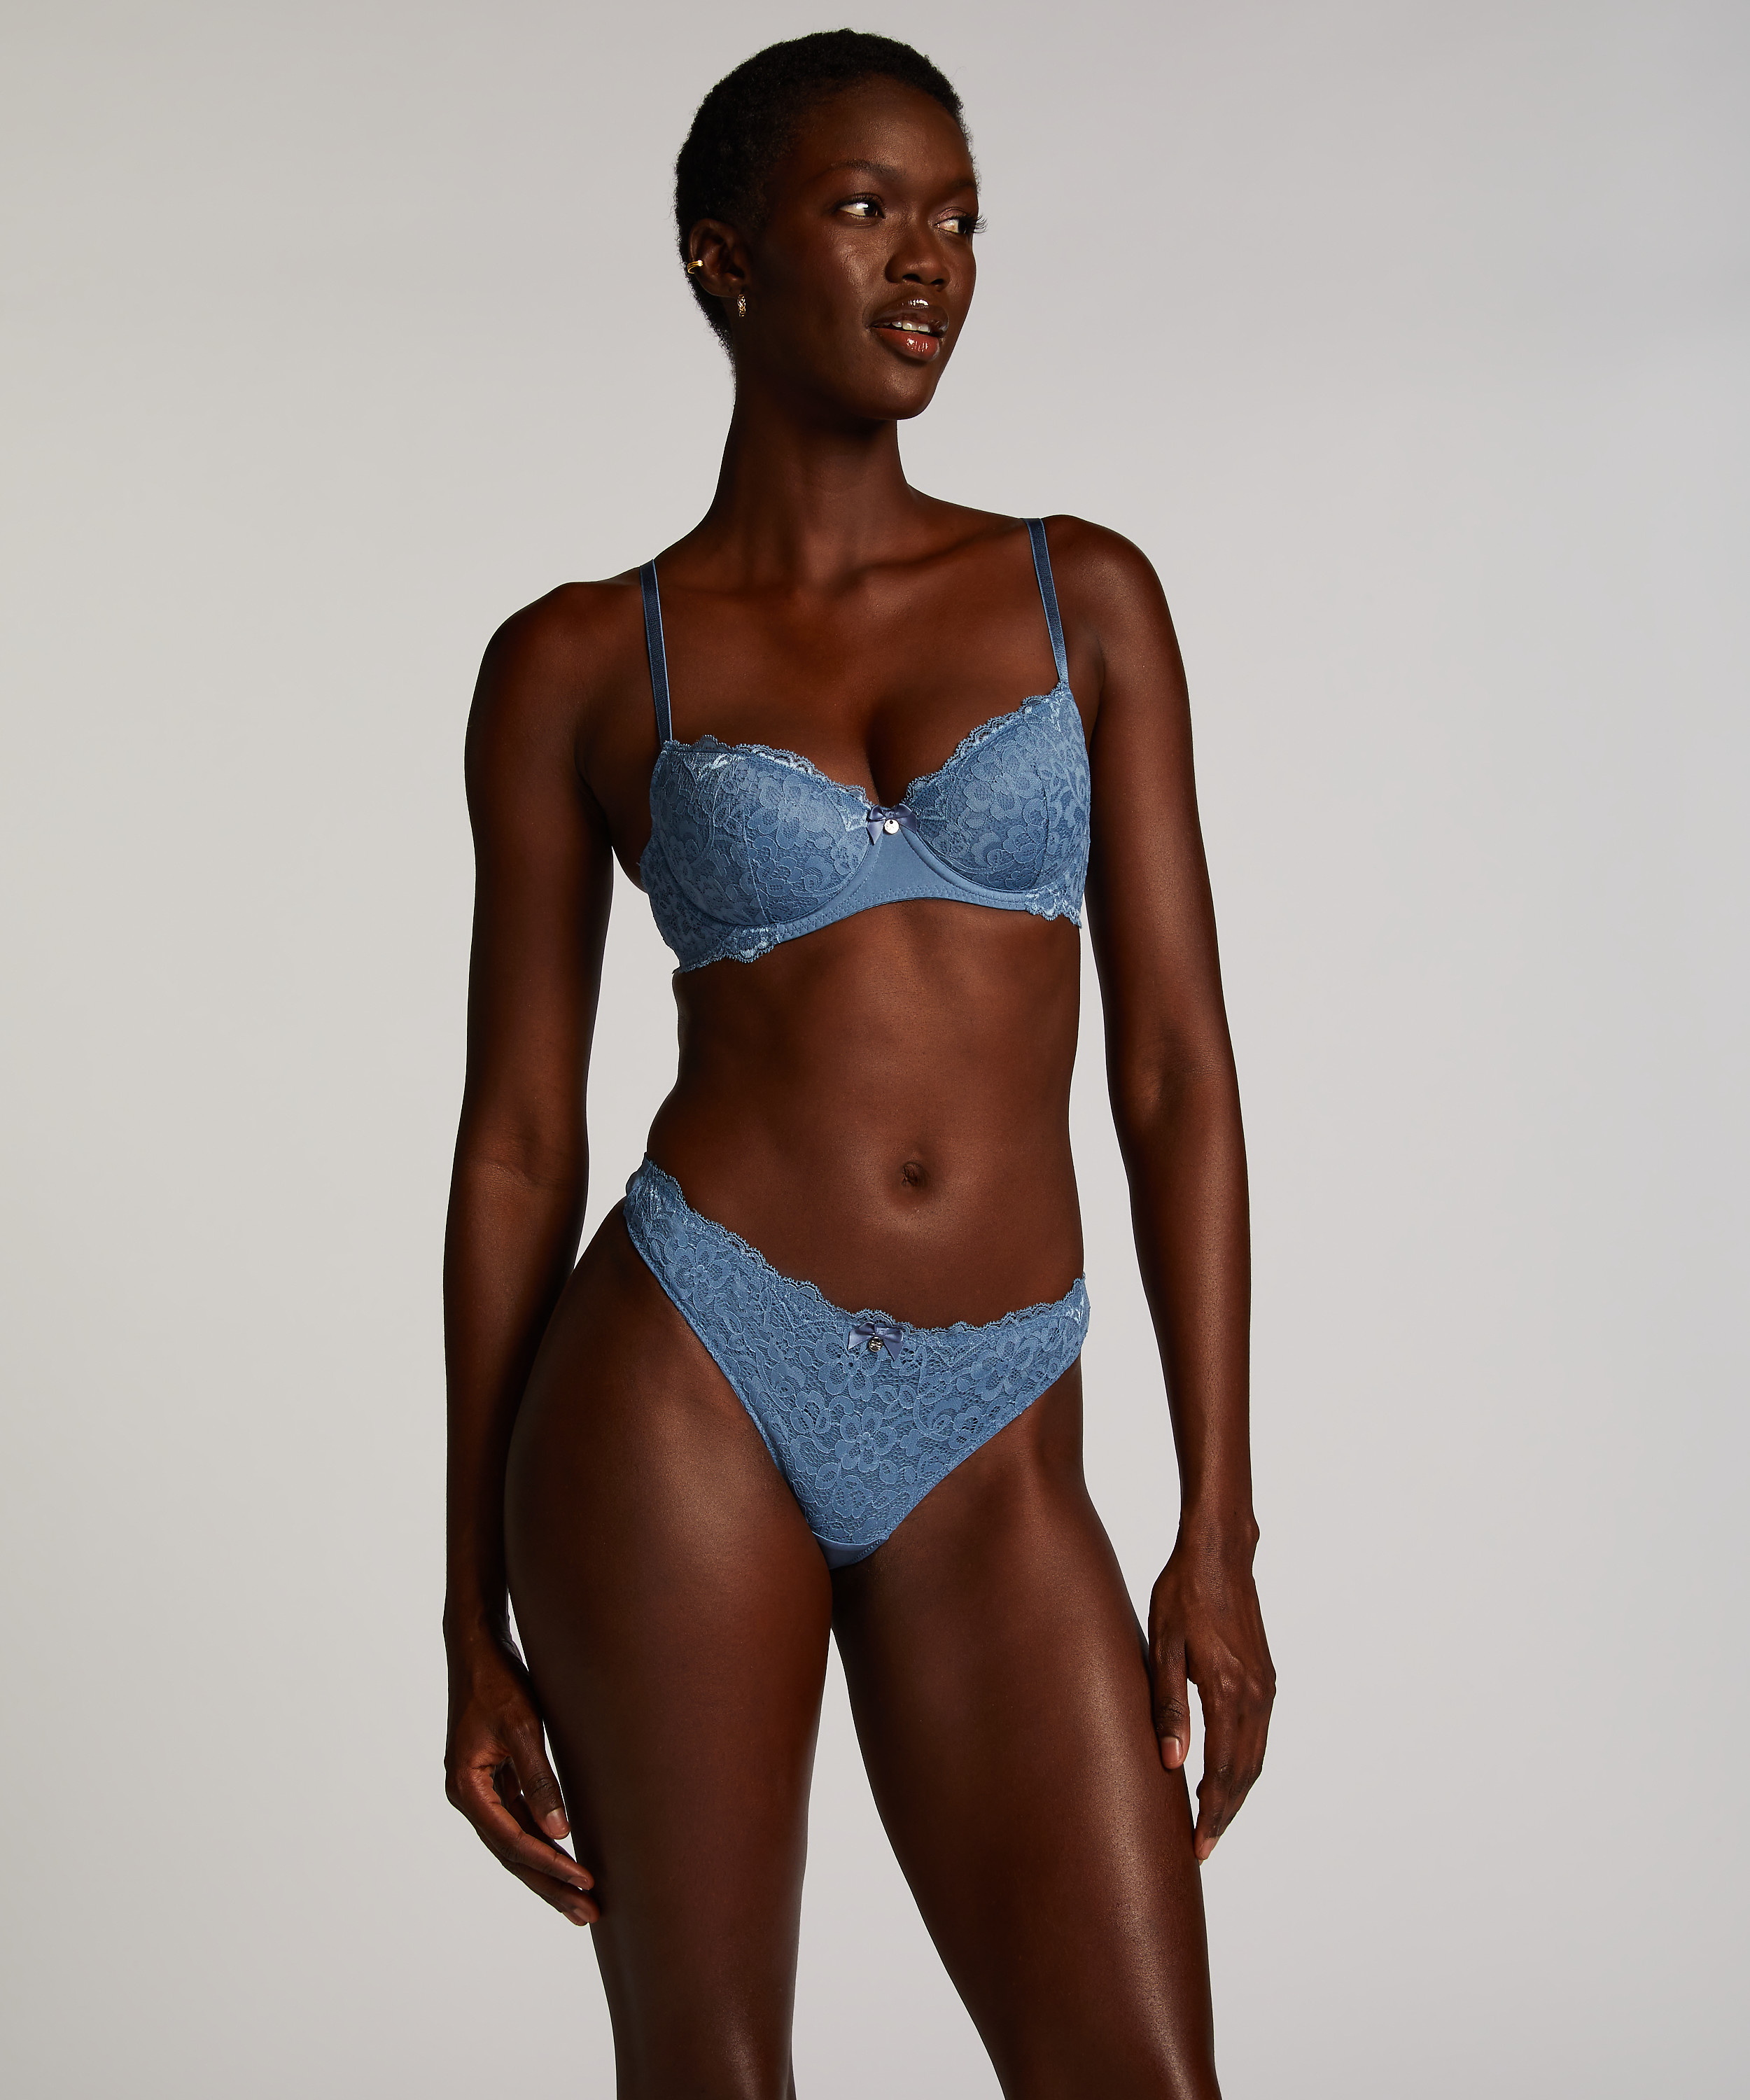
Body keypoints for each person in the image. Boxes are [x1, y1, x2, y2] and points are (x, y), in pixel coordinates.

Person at [442, 30, 1273, 2099]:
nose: (929, 261)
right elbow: (517, 1145)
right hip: (684, 1375)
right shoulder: (577, 661)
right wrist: (466, 1611)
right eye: (866, 207)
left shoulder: (1081, 597)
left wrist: (1219, 1526)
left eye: (959, 218)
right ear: (722, 256)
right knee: (709, 2074)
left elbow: (1175, 1073)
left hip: (1001, 1416)